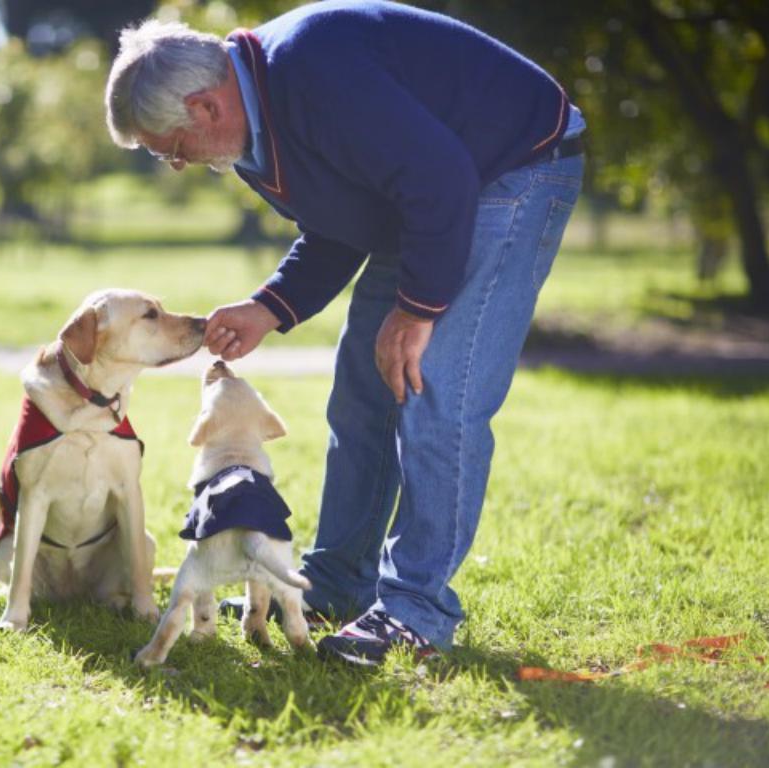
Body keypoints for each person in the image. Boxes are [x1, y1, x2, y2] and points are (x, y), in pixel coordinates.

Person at [105, 0, 585, 666]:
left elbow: (439, 176)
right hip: (425, 198)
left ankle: (415, 611)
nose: (180, 164)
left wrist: (417, 312)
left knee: (436, 390)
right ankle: (336, 581)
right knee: (363, 393)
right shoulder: (248, 137)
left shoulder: (313, 68)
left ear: (205, 106)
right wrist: (268, 307)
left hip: (510, 166)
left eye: (174, 149)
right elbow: (344, 224)